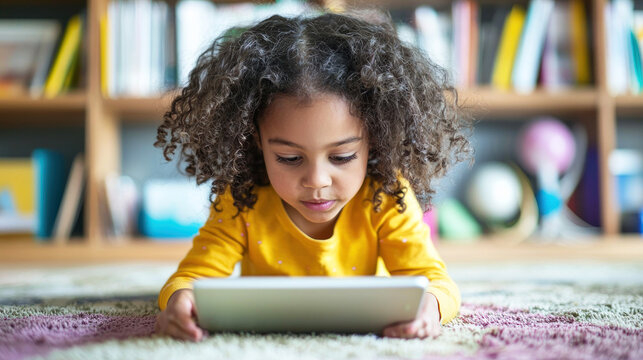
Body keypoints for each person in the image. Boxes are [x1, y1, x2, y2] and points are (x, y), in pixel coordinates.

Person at [153, 12, 472, 342]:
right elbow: (190, 278)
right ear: (256, 139)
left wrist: (430, 308)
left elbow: (437, 283)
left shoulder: (387, 195)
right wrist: (180, 301)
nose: (317, 180)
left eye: (341, 157)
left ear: (374, 138)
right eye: (289, 158)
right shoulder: (242, 199)